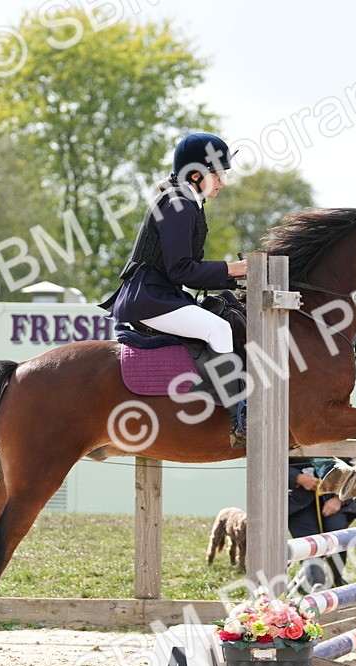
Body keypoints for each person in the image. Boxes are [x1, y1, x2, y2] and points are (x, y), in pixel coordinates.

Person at [98, 132, 249, 446]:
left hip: (160, 294)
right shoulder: (178, 204)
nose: (222, 182)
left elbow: (188, 270)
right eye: (218, 174)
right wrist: (233, 269)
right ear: (196, 175)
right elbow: (182, 270)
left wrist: (234, 279)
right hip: (148, 298)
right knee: (220, 329)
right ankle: (238, 419)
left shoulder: (188, 201)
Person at [288, 457, 356, 590]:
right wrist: (297, 477)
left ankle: (336, 583)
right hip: (298, 501)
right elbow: (270, 463)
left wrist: (339, 498)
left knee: (337, 534)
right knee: (309, 542)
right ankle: (317, 587)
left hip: (336, 497)